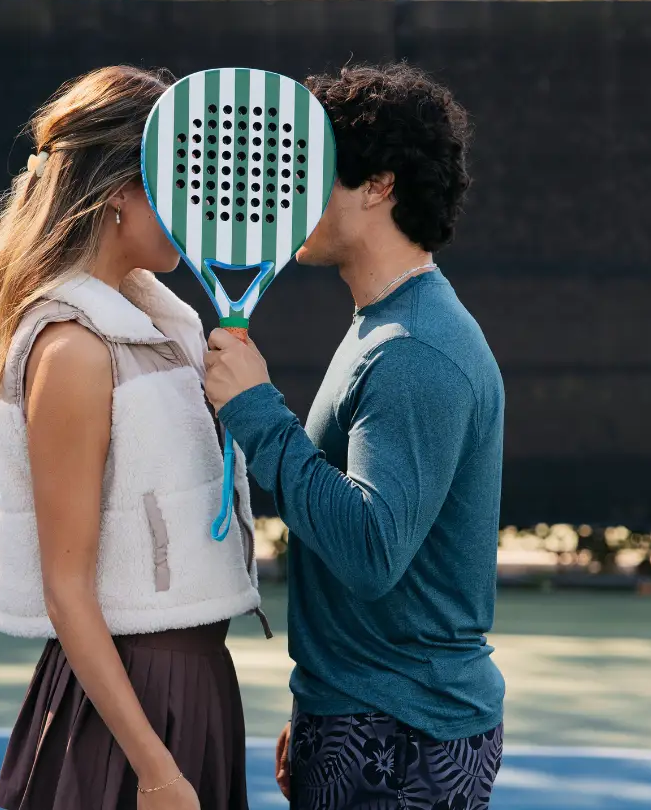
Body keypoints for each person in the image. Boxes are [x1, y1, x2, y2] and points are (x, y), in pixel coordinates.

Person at [0, 66, 264, 810]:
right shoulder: (75, 349)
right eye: (182, 182)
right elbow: (67, 590)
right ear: (120, 190)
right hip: (127, 709)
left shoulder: (162, 329)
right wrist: (154, 768)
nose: (202, 206)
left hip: (193, 686)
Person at [204, 64, 506, 810]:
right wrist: (322, 711)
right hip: (369, 720)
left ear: (379, 184)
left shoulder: (411, 350)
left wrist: (255, 412)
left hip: (401, 734)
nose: (287, 196)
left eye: (310, 174)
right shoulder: (387, 326)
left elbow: (372, 549)